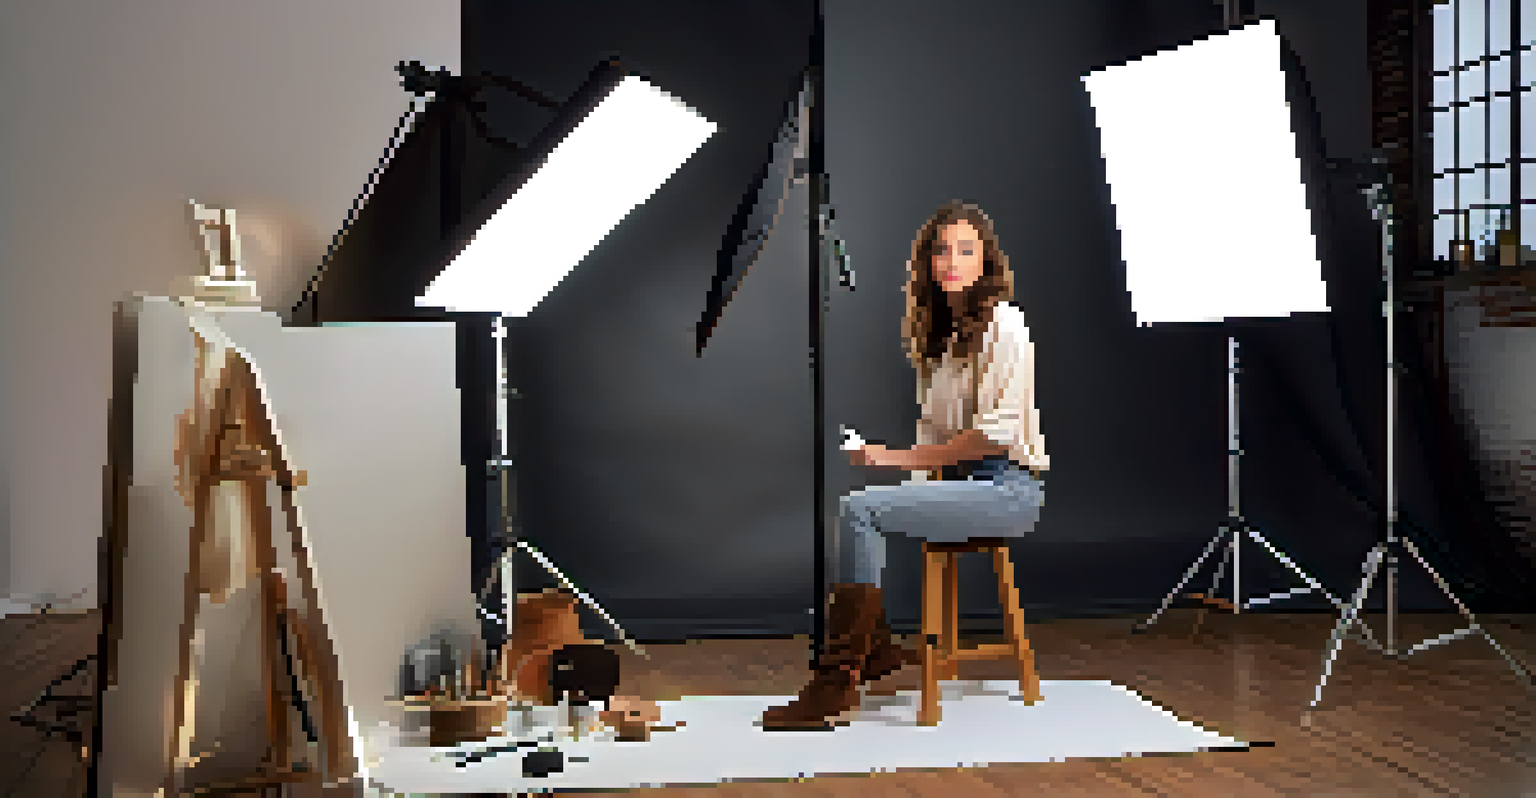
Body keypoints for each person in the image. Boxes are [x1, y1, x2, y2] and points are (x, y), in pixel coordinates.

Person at [761, 200, 1049, 731]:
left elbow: (991, 438)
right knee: (861, 510)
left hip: (1009, 491)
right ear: (927, 261)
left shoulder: (1004, 324)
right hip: (961, 488)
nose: (952, 261)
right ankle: (869, 656)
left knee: (857, 510)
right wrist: (893, 472)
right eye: (941, 250)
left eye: (966, 249)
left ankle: (842, 675)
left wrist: (894, 462)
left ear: (986, 260)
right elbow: (933, 440)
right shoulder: (938, 342)